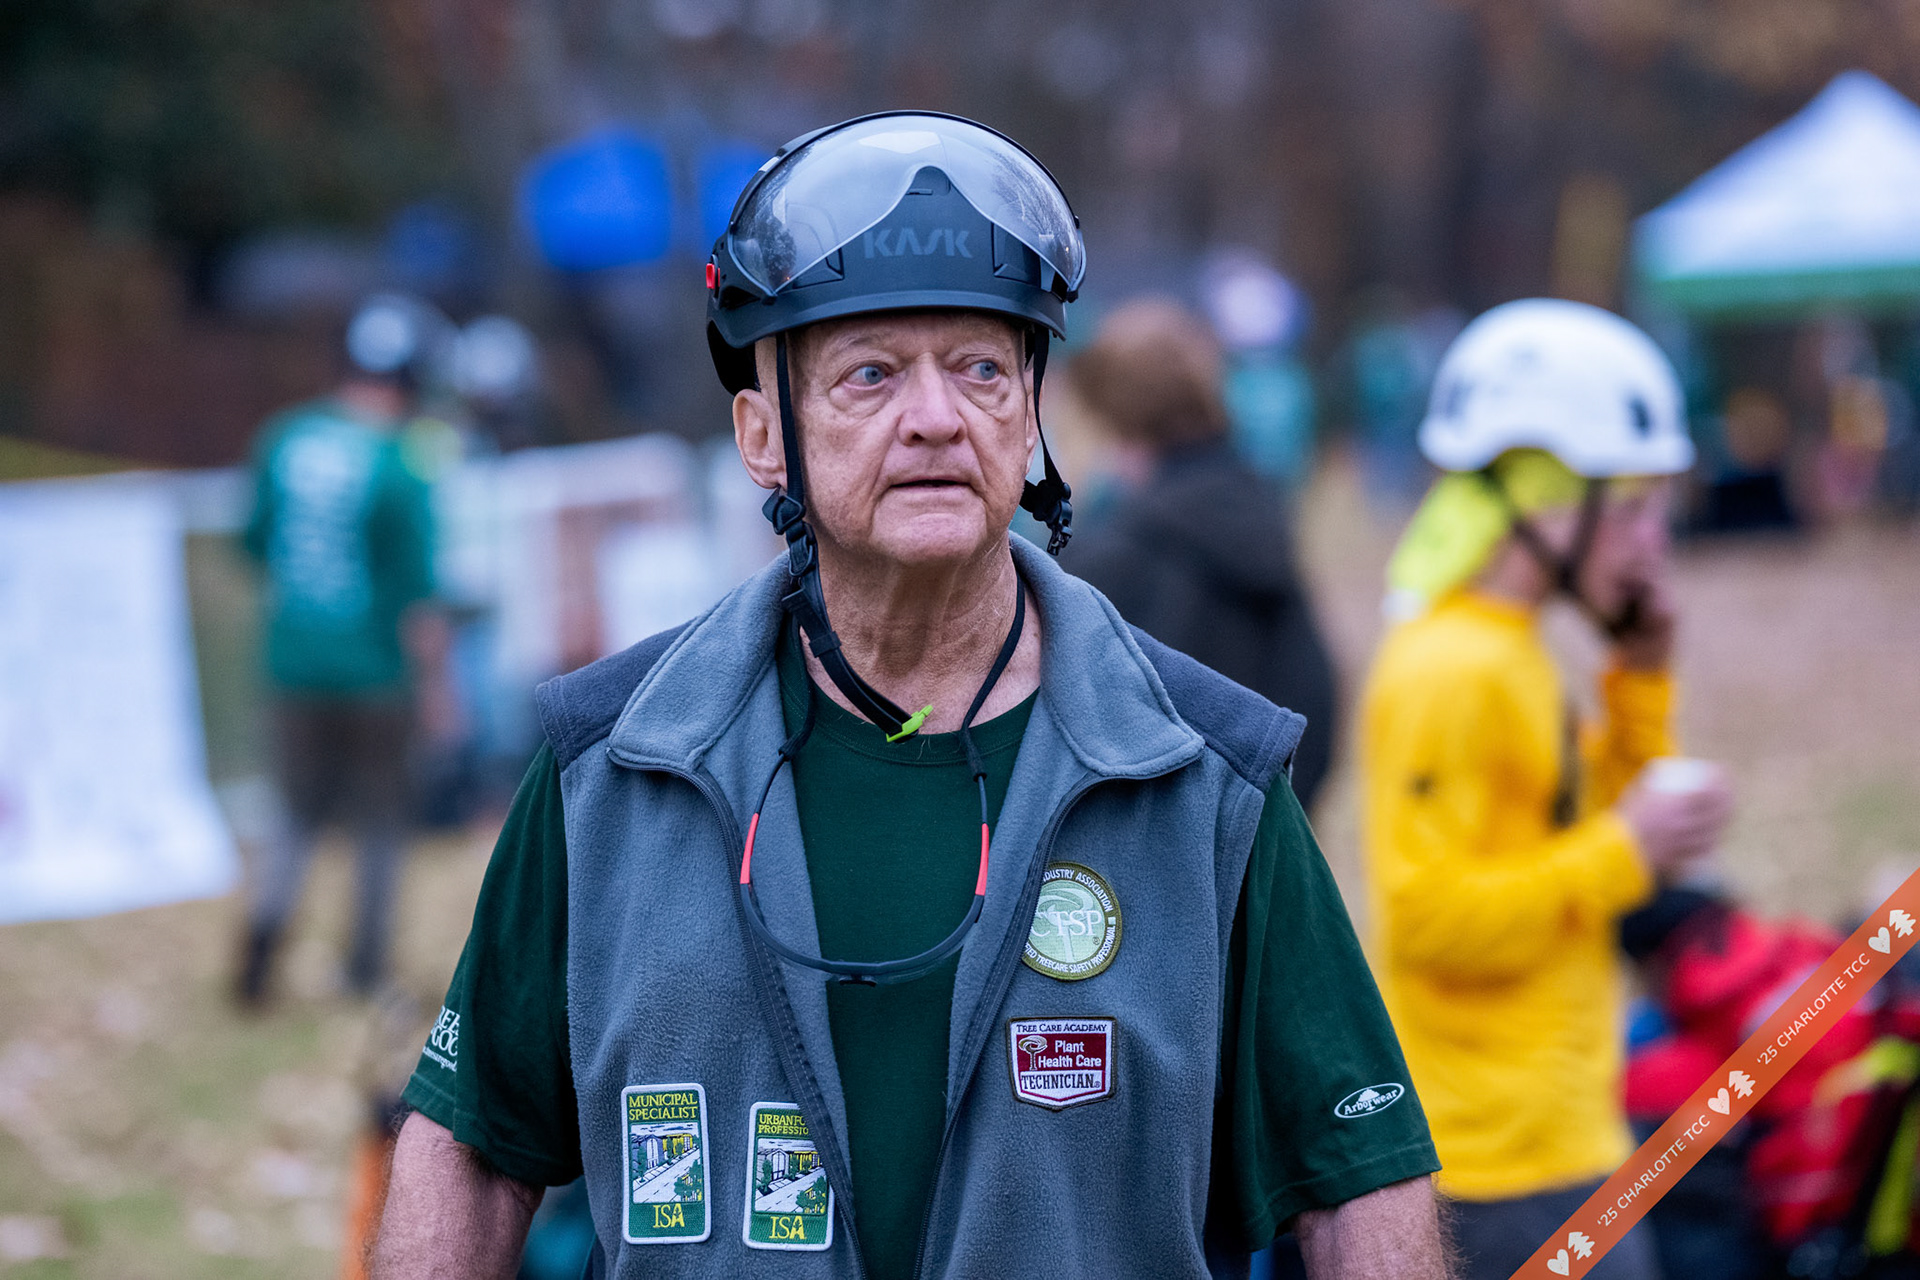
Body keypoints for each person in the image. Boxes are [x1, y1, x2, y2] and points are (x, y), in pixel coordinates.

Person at [374, 112, 1445, 1279]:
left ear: (1029, 417)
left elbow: (1359, 1175)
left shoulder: (1206, 777)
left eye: (982, 366)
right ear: (761, 435)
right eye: (871, 371)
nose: (937, 414)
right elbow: (475, 1143)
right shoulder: (610, 766)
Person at [1358, 298, 1736, 1279]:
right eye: (1640, 504)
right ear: (1550, 504)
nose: (1657, 538)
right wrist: (1628, 848)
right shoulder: (1452, 670)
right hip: (1498, 1164)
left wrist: (1641, 680)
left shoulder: (1514, 651)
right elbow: (1428, 917)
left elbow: (1589, 836)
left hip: (1562, 1129)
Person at [235, 294, 442, 1004]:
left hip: (292, 663)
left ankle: (260, 951)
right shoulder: (401, 462)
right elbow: (420, 597)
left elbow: (255, 545)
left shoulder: (283, 438)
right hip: (376, 673)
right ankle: (364, 968)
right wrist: (439, 690)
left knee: (293, 814)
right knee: (379, 822)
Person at [1063, 298, 1340, 810]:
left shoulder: (1117, 559)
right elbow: (1316, 710)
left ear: (1116, 421)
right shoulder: (1259, 515)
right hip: (1265, 841)